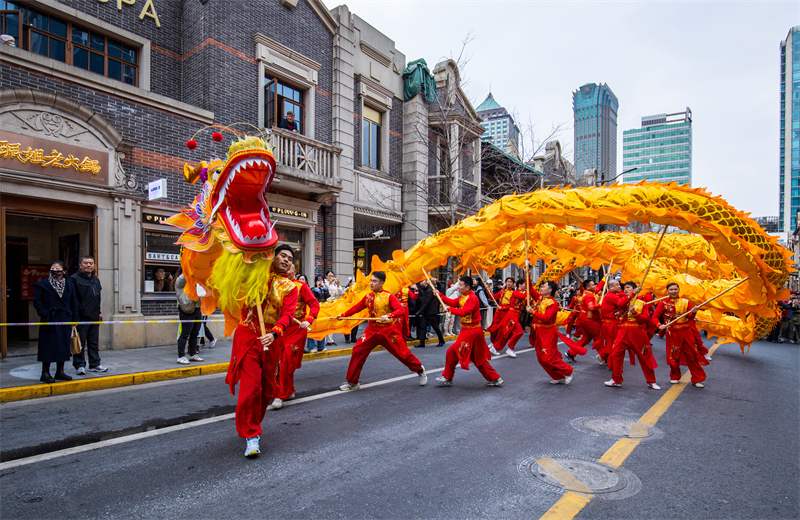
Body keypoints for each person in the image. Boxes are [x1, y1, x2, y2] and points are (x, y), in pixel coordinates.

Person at [225, 245, 298, 457]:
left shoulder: (290, 287)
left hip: (271, 341)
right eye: (283, 255)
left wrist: (275, 333)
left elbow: (288, 314)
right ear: (273, 257)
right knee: (251, 387)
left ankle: (253, 422)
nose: (286, 260)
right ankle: (252, 434)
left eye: (290, 258)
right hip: (249, 337)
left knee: (267, 390)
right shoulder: (255, 274)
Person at [337, 271, 427, 391]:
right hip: (372, 330)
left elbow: (400, 310)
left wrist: (389, 315)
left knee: (403, 353)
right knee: (358, 350)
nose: (371, 283)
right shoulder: (368, 297)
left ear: (382, 283)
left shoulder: (389, 296)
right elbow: (357, 308)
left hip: (388, 330)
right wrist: (343, 315)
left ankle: (419, 369)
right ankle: (353, 382)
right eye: (371, 281)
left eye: (374, 281)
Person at [435, 275, 503, 387]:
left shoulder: (472, 298)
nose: (458, 287)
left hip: (471, 332)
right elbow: (452, 302)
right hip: (471, 331)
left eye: (460, 285)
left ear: (467, 287)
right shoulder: (464, 297)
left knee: (452, 352)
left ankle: (447, 377)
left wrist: (450, 310)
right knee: (478, 358)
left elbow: (465, 312)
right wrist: (440, 295)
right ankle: (495, 378)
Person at [272, 265, 319, 410]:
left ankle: (280, 395)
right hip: (281, 327)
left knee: (286, 360)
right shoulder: (277, 285)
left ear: (295, 272)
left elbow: (314, 304)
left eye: (289, 267)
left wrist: (308, 320)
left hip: (297, 329)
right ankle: (290, 390)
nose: (286, 270)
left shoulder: (301, 286)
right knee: (279, 360)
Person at [604, 282, 661, 390]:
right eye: (624, 288)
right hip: (622, 332)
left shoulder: (642, 304)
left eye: (628, 288)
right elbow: (620, 305)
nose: (625, 290)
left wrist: (635, 313)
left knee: (644, 358)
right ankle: (616, 379)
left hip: (637, 333)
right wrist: (631, 295)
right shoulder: (623, 301)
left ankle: (651, 381)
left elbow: (645, 319)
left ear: (635, 289)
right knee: (615, 354)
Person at [653, 282, 708, 388]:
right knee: (673, 356)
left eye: (675, 289)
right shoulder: (663, 303)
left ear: (679, 290)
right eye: (671, 290)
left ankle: (697, 379)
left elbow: (690, 318)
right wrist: (659, 325)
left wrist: (694, 312)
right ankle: (674, 376)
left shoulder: (686, 302)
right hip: (672, 333)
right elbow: (655, 316)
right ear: (667, 291)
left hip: (686, 332)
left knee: (691, 356)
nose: (673, 291)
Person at [32, 261, 79, 383]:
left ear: (63, 271)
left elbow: (73, 302)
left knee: (63, 345)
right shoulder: (42, 285)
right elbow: (37, 301)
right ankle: (45, 373)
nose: (55, 271)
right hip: (50, 319)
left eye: (57, 269)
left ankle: (60, 371)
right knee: (47, 345)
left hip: (65, 318)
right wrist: (44, 313)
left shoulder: (69, 285)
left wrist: (75, 319)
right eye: (52, 268)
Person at [527, 280, 574, 385]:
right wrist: (528, 275)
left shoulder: (553, 304)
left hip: (548, 333)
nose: (541, 288)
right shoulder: (540, 298)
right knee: (540, 358)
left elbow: (546, 318)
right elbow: (531, 289)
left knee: (548, 357)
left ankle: (568, 370)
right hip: (539, 332)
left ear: (549, 290)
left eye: (544, 287)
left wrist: (533, 312)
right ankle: (558, 376)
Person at [69, 255, 106, 374]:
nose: (88, 265)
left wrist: (99, 312)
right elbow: (72, 299)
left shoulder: (95, 279)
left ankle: (95, 364)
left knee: (93, 342)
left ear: (94, 265)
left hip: (94, 316)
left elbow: (97, 297)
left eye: (91, 263)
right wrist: (74, 317)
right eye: (86, 263)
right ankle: (79, 365)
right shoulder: (74, 279)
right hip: (81, 316)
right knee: (80, 343)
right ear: (80, 265)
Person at [487, 277, 526, 358]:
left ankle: (496, 346)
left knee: (504, 331)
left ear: (513, 284)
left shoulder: (513, 293)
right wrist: (488, 290)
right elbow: (492, 297)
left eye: (510, 282)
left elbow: (513, 304)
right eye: (507, 281)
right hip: (501, 313)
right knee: (495, 328)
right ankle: (494, 343)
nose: (509, 283)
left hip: (507, 313)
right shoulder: (502, 291)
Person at [595, 277, 630, 367]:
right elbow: (622, 303)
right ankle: (609, 360)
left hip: (610, 322)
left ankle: (605, 357)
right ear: (611, 287)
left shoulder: (613, 295)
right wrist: (631, 295)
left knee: (611, 342)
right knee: (613, 343)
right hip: (611, 323)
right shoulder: (612, 296)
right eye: (617, 285)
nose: (619, 287)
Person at [175, 272, 203, 365]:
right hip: (187, 310)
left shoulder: (195, 283)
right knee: (184, 334)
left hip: (197, 309)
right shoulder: (180, 282)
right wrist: (192, 268)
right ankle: (181, 356)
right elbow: (186, 275)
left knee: (195, 333)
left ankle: (193, 354)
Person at [415, 279, 445, 347]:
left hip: (431, 312)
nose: (422, 286)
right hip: (426, 312)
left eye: (423, 285)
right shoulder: (426, 290)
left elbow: (427, 303)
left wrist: (419, 311)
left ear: (426, 285)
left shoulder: (430, 291)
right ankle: (422, 342)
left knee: (435, 327)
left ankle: (441, 340)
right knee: (423, 326)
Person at [307, 276, 329, 353]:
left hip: (323, 311)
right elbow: (313, 298)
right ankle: (312, 346)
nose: (320, 281)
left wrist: (324, 288)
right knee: (313, 327)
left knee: (322, 328)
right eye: (318, 280)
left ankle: (321, 346)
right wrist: (317, 287)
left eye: (321, 280)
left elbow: (327, 296)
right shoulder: (313, 289)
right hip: (314, 310)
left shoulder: (324, 289)